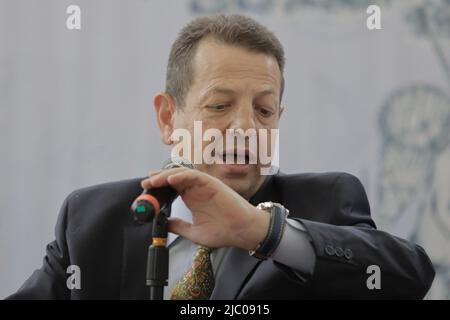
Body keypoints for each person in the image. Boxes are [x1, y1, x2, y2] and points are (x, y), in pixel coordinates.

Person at [7, 14, 434, 300]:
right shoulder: (94, 218)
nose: (246, 127)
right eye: (219, 106)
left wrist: (263, 233)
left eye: (264, 110)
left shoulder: (324, 201)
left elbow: (409, 278)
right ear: (168, 117)